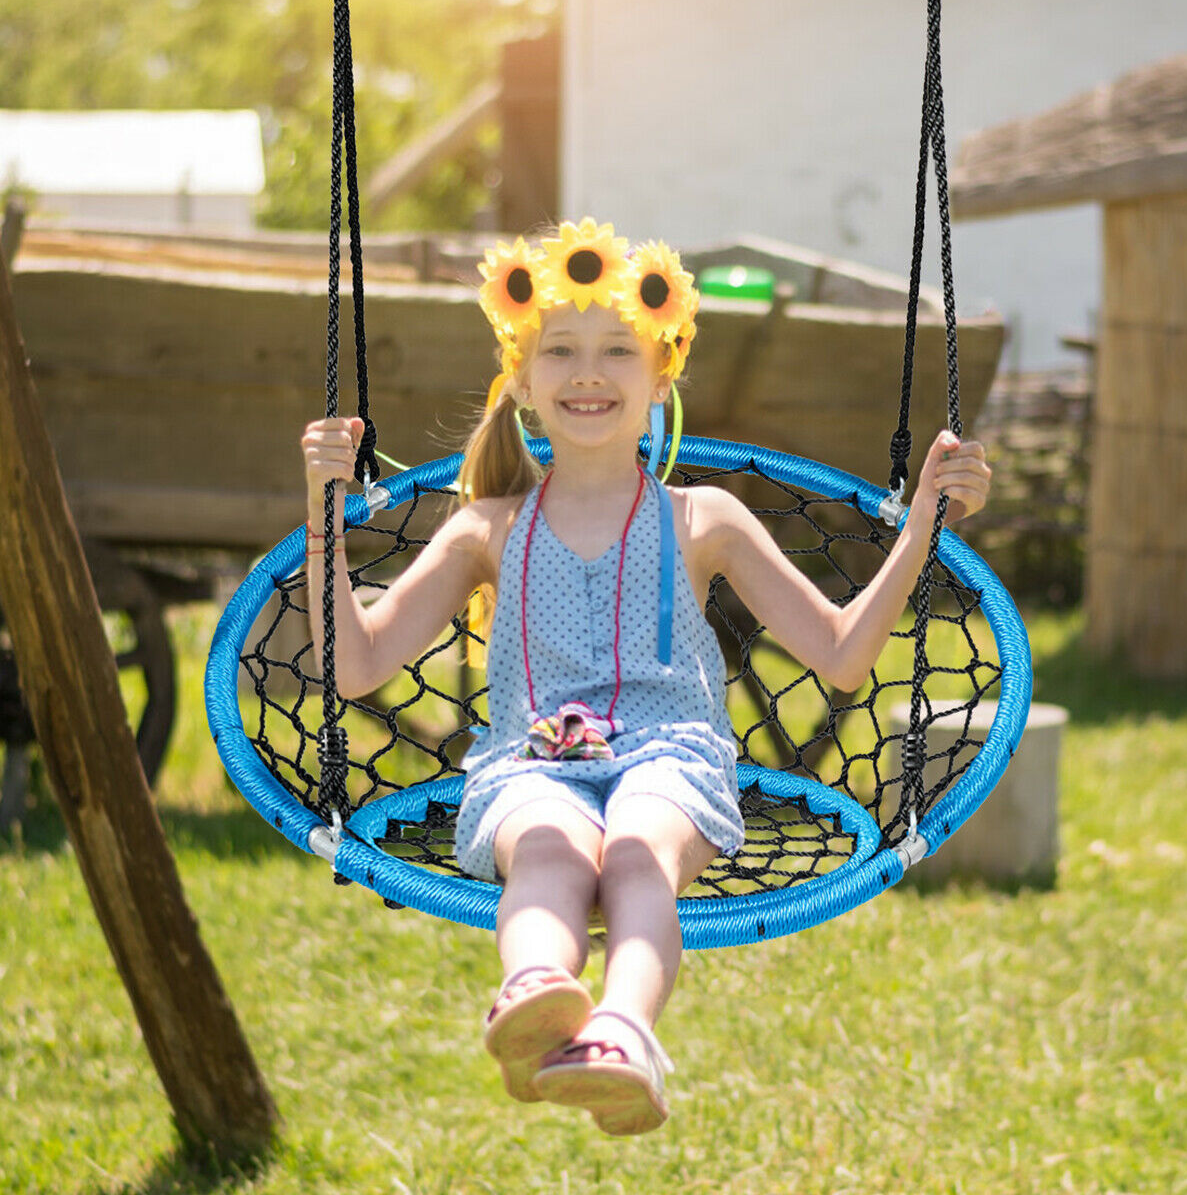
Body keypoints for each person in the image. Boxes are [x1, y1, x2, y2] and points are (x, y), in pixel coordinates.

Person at [300, 218, 992, 1137]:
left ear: (661, 374)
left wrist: (921, 531)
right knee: (546, 850)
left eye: (618, 350)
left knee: (633, 848)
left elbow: (837, 653)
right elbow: (356, 665)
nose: (589, 373)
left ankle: (624, 1031)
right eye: (561, 351)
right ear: (522, 378)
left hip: (673, 759)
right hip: (529, 764)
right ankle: (536, 993)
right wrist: (324, 516)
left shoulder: (704, 517)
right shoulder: (486, 532)